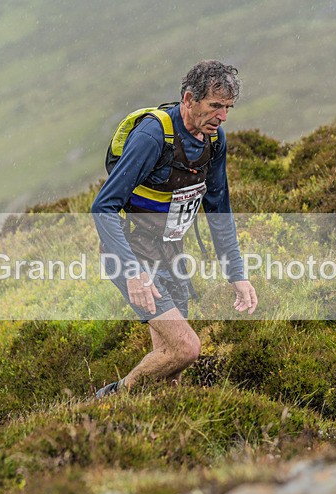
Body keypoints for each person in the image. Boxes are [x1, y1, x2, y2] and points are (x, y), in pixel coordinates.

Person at [91, 60, 257, 398]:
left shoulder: (214, 140)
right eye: (215, 106)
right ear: (189, 99)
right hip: (132, 252)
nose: (223, 116)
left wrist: (236, 272)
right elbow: (103, 206)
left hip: (170, 253)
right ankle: (110, 398)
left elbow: (218, 208)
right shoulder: (153, 136)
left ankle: (151, 430)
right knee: (186, 348)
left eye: (228, 108)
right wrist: (132, 271)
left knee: (171, 371)